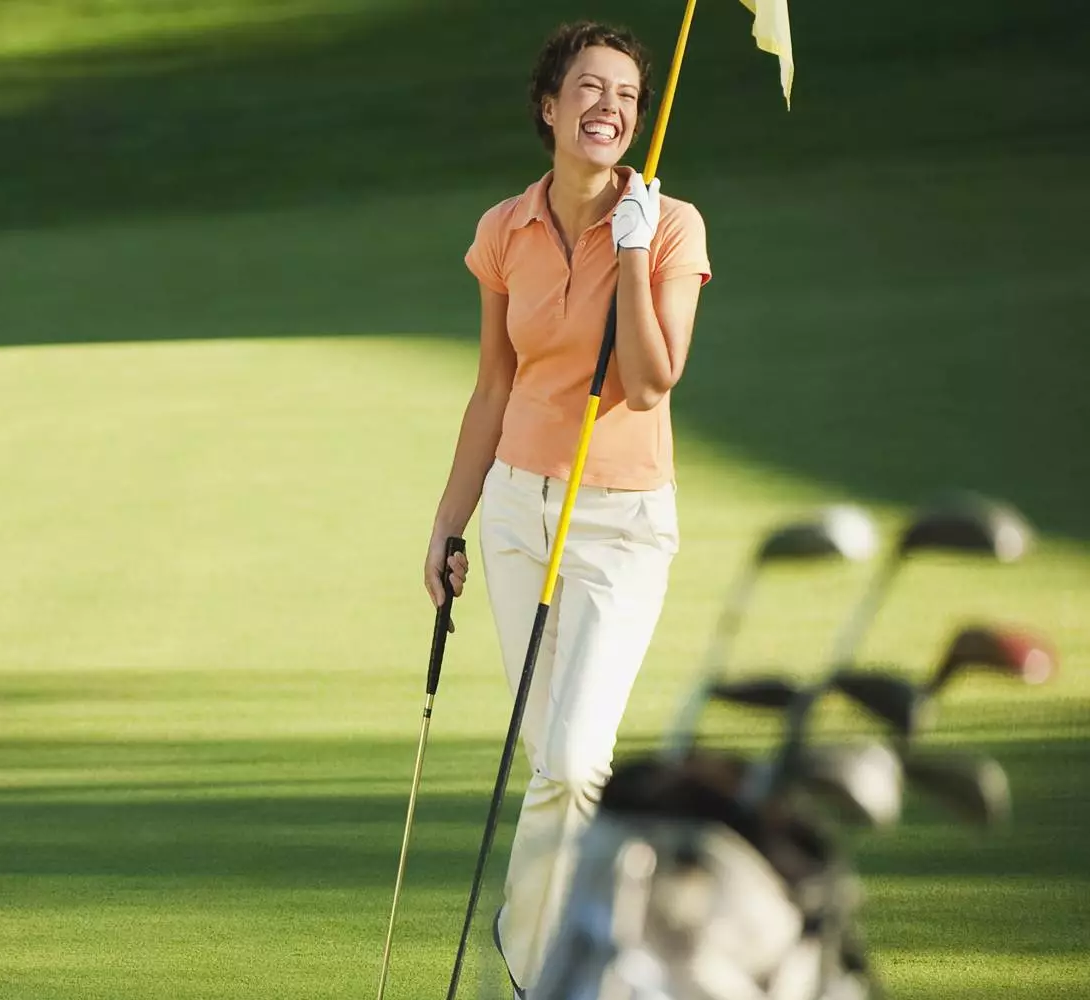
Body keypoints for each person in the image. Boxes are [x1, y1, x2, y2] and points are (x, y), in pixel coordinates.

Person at [421, 21, 710, 993]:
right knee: (548, 757)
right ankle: (557, 958)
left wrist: (631, 255)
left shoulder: (671, 226)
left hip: (620, 526)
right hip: (517, 515)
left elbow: (653, 379)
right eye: (590, 87)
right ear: (549, 106)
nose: (610, 108)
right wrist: (449, 522)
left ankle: (536, 960)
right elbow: (492, 388)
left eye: (626, 95)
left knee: (578, 762)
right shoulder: (505, 229)